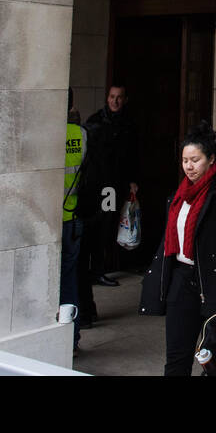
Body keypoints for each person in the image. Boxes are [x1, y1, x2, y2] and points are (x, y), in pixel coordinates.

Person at [139, 121, 216, 376]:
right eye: (185, 160)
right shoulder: (181, 194)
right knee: (177, 357)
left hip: (211, 282)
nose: (189, 166)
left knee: (212, 359)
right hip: (182, 278)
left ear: (211, 159)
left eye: (195, 160)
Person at [82, 84, 141, 286]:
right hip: (99, 186)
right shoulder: (96, 122)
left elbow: (131, 155)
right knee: (98, 226)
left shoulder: (128, 124)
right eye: (112, 97)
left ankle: (99, 268)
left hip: (114, 185)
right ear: (107, 98)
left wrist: (132, 180)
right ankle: (95, 270)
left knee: (106, 226)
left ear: (125, 100)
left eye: (119, 97)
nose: (115, 101)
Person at [62, 89, 87, 352]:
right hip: (74, 215)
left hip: (55, 219)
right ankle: (72, 338)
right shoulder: (82, 135)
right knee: (69, 282)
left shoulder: (50, 133)